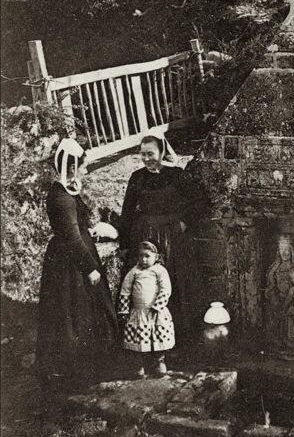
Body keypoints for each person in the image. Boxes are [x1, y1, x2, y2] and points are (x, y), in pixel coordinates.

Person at [36, 138, 118, 391]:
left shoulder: (67, 191)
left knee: (82, 313)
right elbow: (70, 237)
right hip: (70, 264)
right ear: (72, 167)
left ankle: (89, 366)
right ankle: (74, 373)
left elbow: (75, 229)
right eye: (83, 166)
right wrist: (90, 268)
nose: (85, 170)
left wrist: (90, 231)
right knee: (73, 314)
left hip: (76, 253)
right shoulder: (61, 198)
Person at [118, 129, 197, 340]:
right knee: (145, 285)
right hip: (145, 237)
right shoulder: (137, 178)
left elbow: (197, 201)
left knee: (172, 281)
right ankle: (145, 336)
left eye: (150, 153)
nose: (146, 159)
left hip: (172, 238)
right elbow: (126, 212)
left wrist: (183, 223)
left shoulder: (177, 175)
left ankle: (175, 336)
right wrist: (125, 244)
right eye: (143, 154)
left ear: (161, 152)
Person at [118, 240, 175, 377]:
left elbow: (166, 289)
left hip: (156, 312)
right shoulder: (134, 272)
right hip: (139, 313)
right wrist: (124, 309)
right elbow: (125, 291)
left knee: (157, 337)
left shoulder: (160, 271)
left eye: (147, 256)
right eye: (141, 256)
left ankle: (159, 362)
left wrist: (158, 306)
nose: (143, 260)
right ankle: (139, 365)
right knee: (139, 339)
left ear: (156, 256)